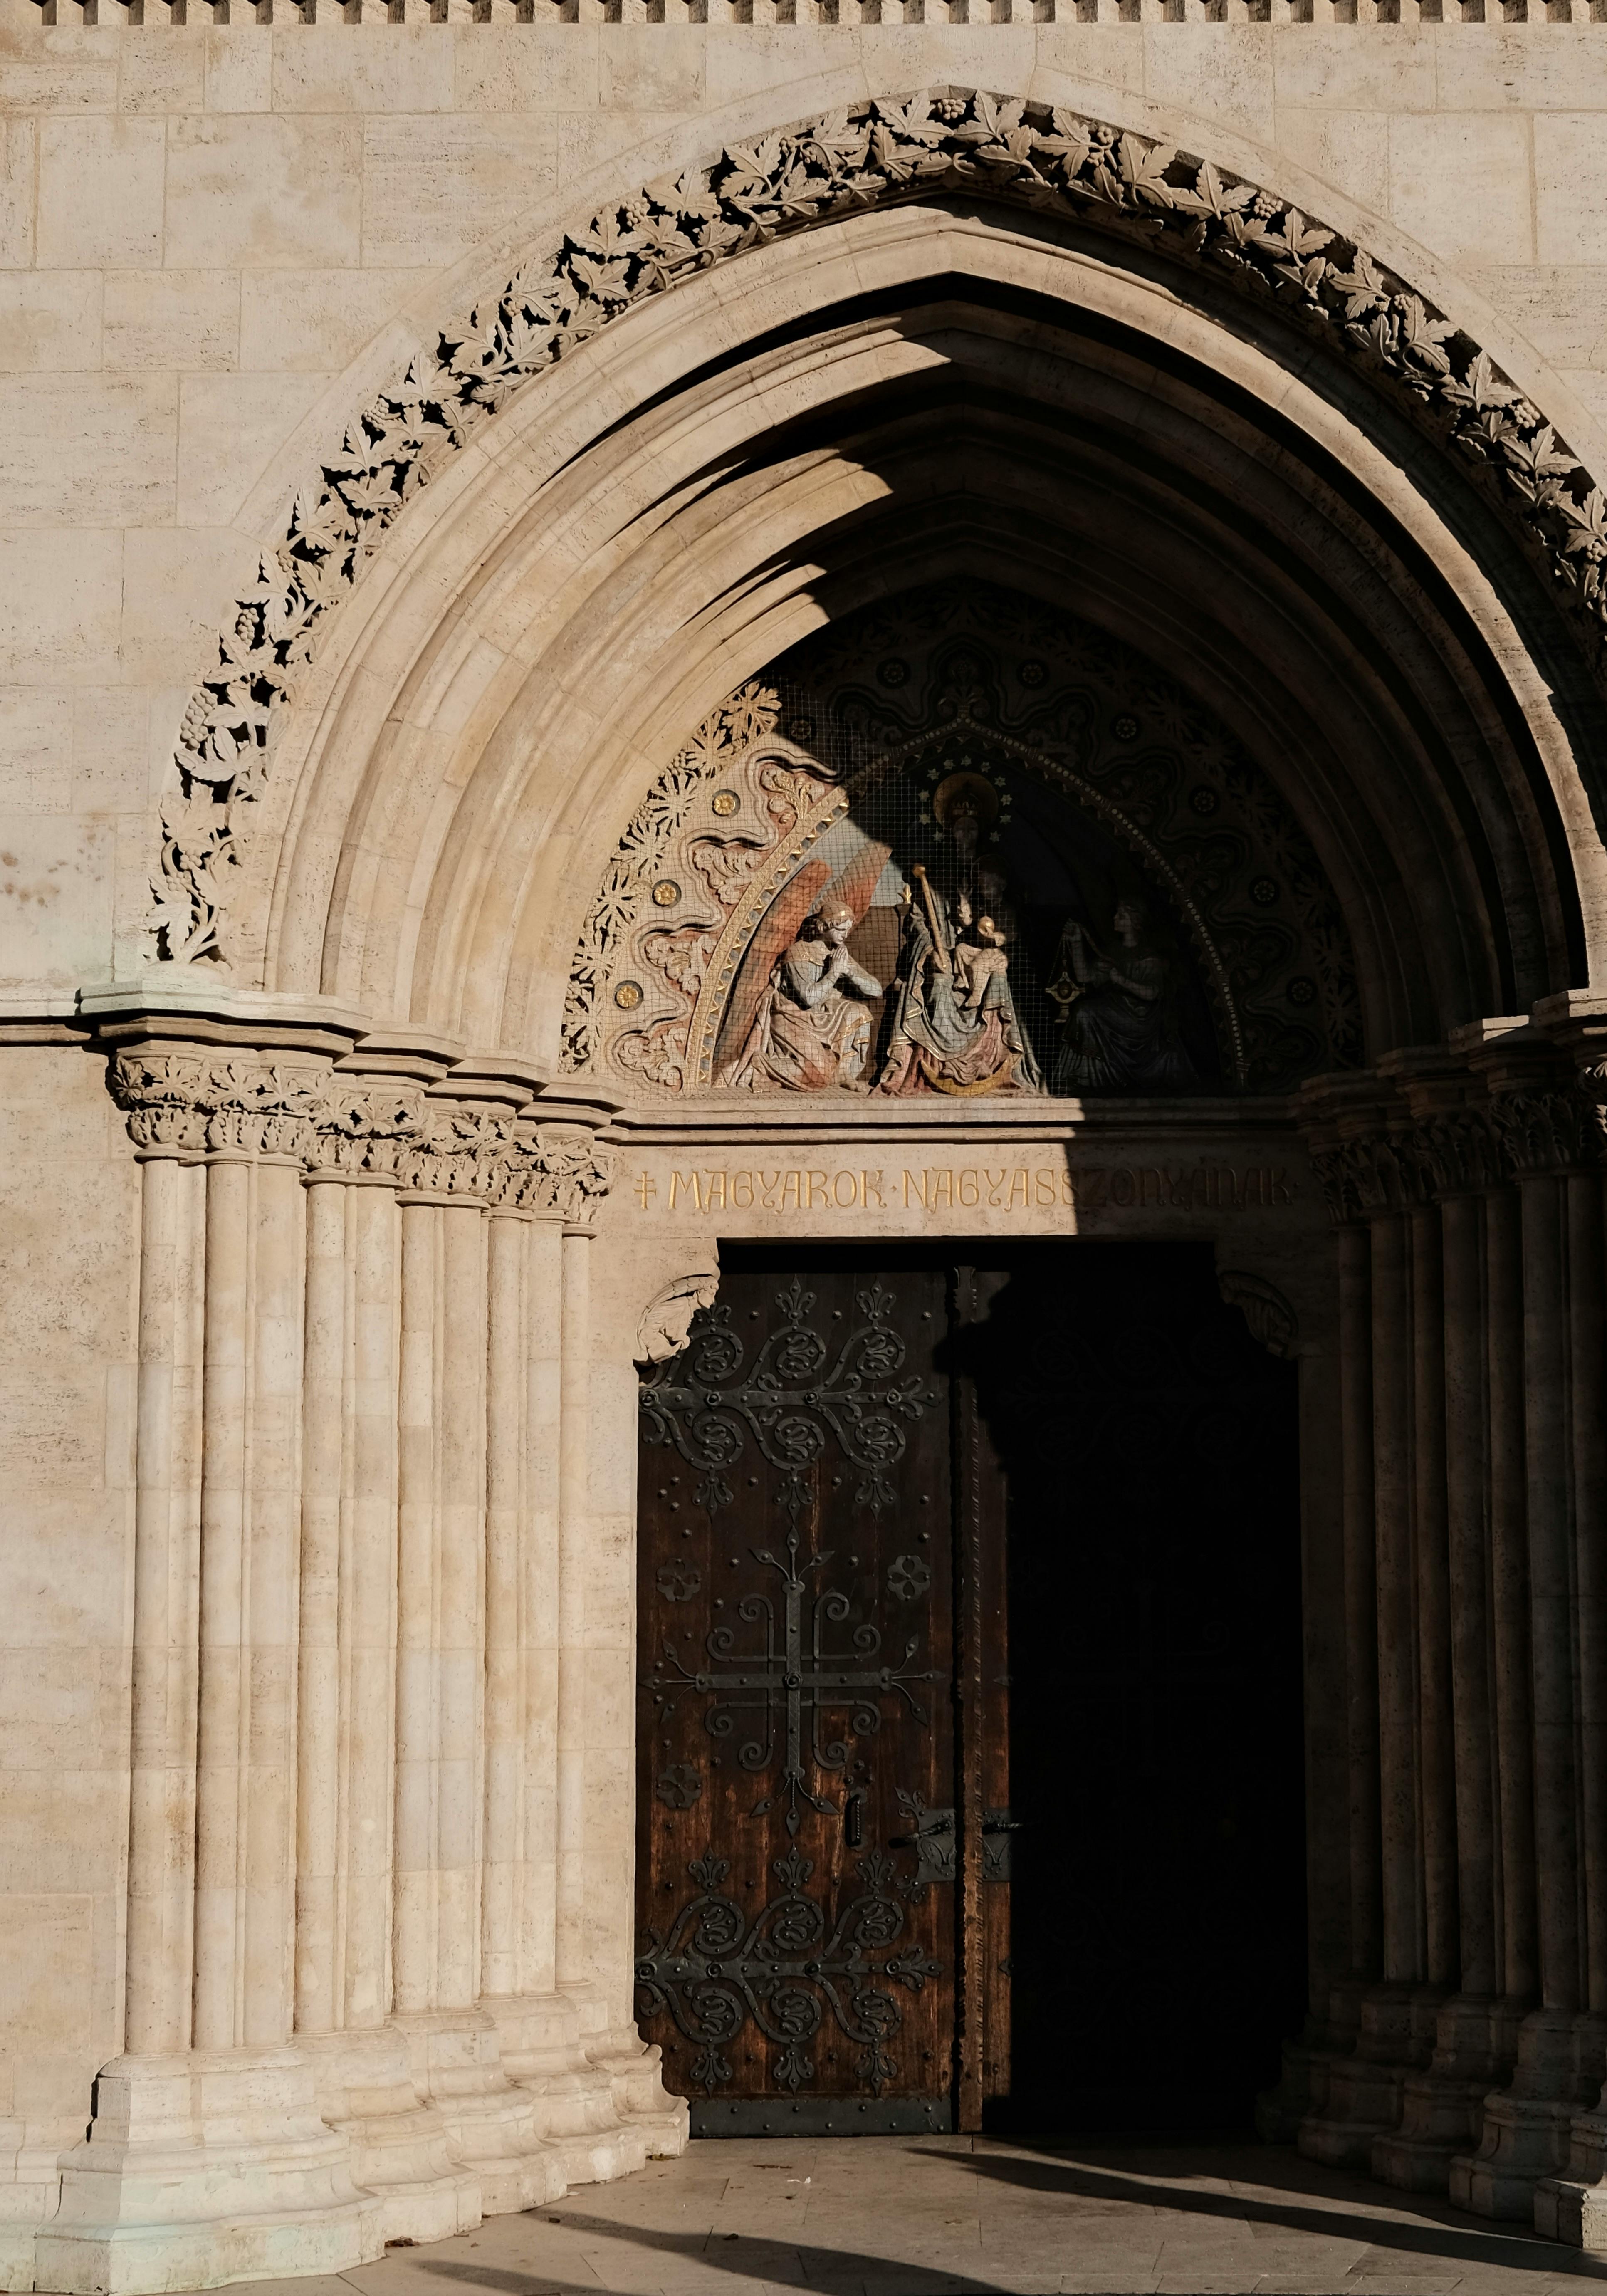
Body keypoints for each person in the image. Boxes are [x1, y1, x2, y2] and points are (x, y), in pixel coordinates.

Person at [880, 868, 1043, 1096]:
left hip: (985, 960)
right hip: (948, 960)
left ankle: (988, 1054)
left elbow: (996, 935)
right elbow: (928, 926)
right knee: (942, 983)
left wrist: (985, 932)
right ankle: (943, 1058)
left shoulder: (997, 907)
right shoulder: (946, 895)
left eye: (986, 883)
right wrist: (931, 952)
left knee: (997, 980)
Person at [717, 902, 883, 1091]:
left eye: (848, 929)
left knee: (858, 1011)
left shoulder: (838, 953)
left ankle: (843, 1074)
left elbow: (876, 990)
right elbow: (809, 998)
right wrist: (834, 973)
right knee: (819, 1077)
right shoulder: (798, 952)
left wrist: (849, 971)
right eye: (840, 929)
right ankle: (761, 1065)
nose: (845, 934)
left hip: (824, 1017)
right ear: (824, 927)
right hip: (793, 1018)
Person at [1047, 897, 1197, 1091]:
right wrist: (1077, 943)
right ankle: (1080, 1075)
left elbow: (1151, 993)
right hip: (1115, 1009)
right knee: (1085, 1011)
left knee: (1088, 1012)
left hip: (1140, 1016)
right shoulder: (1113, 951)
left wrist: (1121, 980)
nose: (1115, 918)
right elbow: (1085, 977)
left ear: (1136, 921)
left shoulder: (1148, 955)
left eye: (1122, 915)